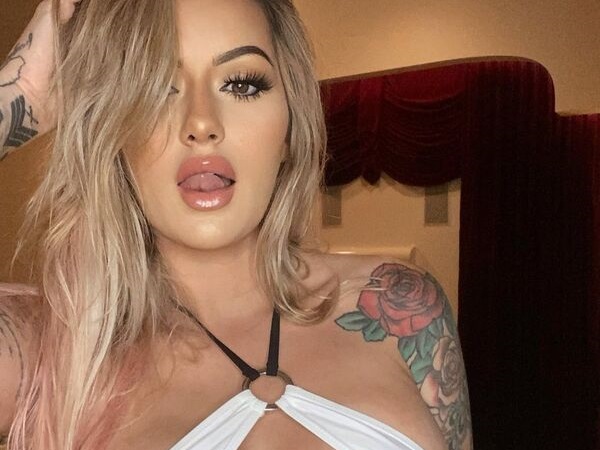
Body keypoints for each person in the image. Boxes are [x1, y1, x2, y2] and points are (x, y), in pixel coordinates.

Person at [0, 0, 473, 449]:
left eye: (243, 84)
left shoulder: (399, 305)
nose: (201, 123)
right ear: (113, 133)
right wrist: (24, 93)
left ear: (289, 126)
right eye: (156, 87)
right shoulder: (51, 350)